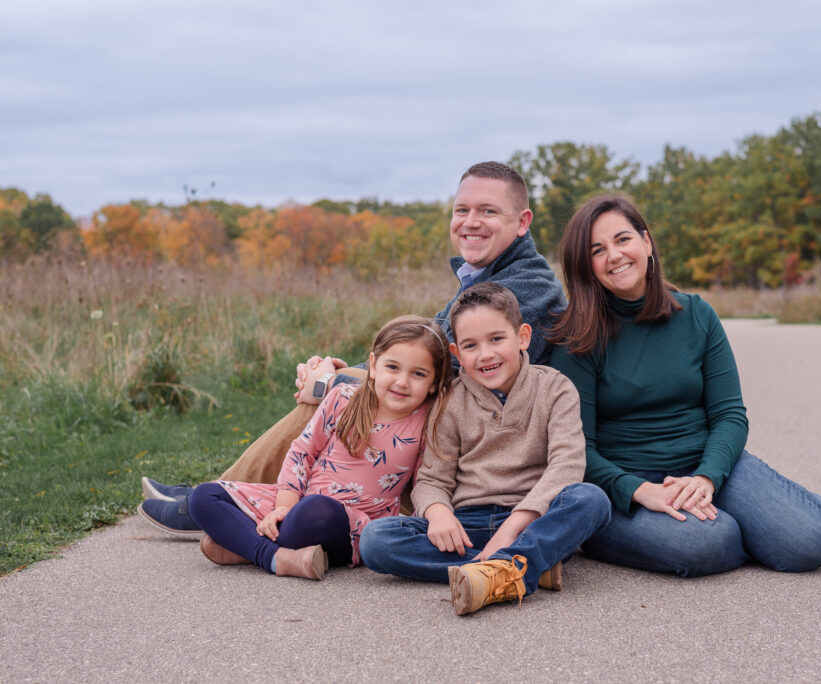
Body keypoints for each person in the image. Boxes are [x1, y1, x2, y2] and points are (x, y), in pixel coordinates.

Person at [139, 161, 567, 533]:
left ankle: (221, 498)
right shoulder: (487, 276)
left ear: (522, 221)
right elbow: (426, 347)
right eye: (462, 210)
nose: (470, 221)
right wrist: (342, 370)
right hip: (460, 417)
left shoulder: (525, 285)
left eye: (488, 211)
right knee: (345, 386)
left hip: (485, 440)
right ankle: (235, 494)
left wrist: (333, 383)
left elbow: (448, 368)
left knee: (345, 394)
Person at [547, 194, 821, 578]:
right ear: (586, 265)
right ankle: (764, 523)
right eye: (598, 250)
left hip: (704, 466)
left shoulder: (696, 314)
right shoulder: (577, 336)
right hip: (623, 489)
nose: (614, 255)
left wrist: (707, 477)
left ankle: (805, 510)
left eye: (622, 239)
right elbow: (576, 447)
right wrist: (640, 491)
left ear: (646, 242)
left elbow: (729, 414)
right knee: (710, 542)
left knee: (819, 538)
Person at [358, 283, 611, 615]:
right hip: (467, 524)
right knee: (376, 540)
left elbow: (566, 465)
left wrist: (512, 529)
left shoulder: (555, 388)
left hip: (533, 519)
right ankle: (523, 567)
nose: (486, 354)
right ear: (456, 354)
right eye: (470, 346)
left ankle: (508, 563)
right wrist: (439, 514)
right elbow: (433, 479)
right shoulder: (450, 399)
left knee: (592, 499)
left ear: (522, 337)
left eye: (496, 339)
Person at [181, 315, 453, 580]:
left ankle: (248, 547)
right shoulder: (344, 397)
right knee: (203, 497)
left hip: (347, 523)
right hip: (296, 502)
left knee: (316, 510)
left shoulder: (428, 423)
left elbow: (425, 483)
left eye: (418, 374)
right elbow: (302, 452)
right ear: (373, 363)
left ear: (433, 384)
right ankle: (277, 558)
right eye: (392, 367)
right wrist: (283, 508)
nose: (402, 381)